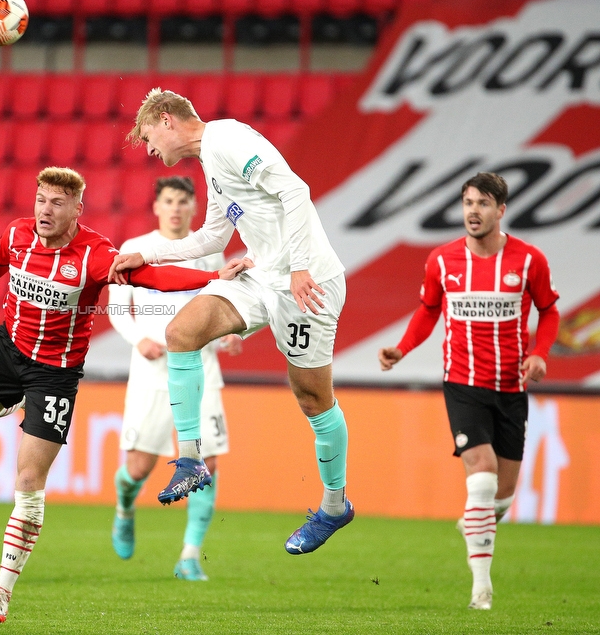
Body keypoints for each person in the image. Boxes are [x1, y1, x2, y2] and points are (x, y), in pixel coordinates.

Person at [0, 166, 249, 623]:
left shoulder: (96, 255)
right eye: (41, 199)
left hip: (54, 375)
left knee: (28, 484)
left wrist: (214, 276)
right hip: (8, 348)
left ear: (77, 209)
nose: (45, 209)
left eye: (57, 203)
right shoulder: (17, 234)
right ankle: (15, 403)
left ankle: (2, 588)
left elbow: (152, 280)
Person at [110, 88, 354, 555]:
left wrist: (300, 264)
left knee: (313, 398)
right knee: (182, 331)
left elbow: (295, 190)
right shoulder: (211, 162)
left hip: (309, 282)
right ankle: (190, 460)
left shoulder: (228, 139)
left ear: (166, 120)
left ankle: (334, 505)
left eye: (147, 137)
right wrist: (146, 253)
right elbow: (211, 237)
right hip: (261, 276)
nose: (149, 149)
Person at [379, 172, 559, 611]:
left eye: (482, 203)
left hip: (511, 387)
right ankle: (482, 588)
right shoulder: (442, 261)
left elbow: (549, 311)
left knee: (502, 496)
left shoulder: (529, 260)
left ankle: (475, 522)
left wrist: (539, 353)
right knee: (480, 476)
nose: (472, 211)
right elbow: (428, 310)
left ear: (501, 210)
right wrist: (401, 348)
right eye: (467, 203)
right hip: (462, 382)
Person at [107, 176, 242, 580]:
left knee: (208, 463)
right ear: (157, 206)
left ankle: (190, 555)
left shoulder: (208, 255)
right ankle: (125, 508)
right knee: (137, 468)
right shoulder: (136, 250)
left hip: (201, 368)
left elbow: (220, 311)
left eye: (184, 201)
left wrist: (230, 334)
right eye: (169, 200)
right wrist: (139, 338)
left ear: (194, 208)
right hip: (153, 372)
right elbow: (116, 309)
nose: (177, 208)